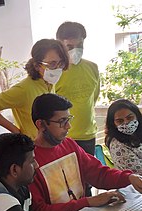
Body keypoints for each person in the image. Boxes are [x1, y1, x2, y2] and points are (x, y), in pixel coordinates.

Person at [28, 94, 142, 211]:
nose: (68, 126)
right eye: (62, 122)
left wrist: (129, 177)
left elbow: (99, 174)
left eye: (68, 119)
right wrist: (88, 202)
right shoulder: (29, 161)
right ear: (41, 124)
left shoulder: (69, 145)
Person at [0, 39, 69, 139]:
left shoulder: (49, 84)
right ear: (37, 65)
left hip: (50, 143)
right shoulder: (24, 89)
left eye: (61, 63)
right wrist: (16, 132)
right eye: (52, 64)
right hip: (33, 146)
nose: (58, 68)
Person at [54, 21, 100, 157]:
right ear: (60, 46)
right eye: (69, 46)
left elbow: (93, 97)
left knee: (89, 176)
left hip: (88, 136)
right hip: (63, 137)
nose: (75, 50)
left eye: (79, 45)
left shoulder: (92, 67)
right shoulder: (54, 72)